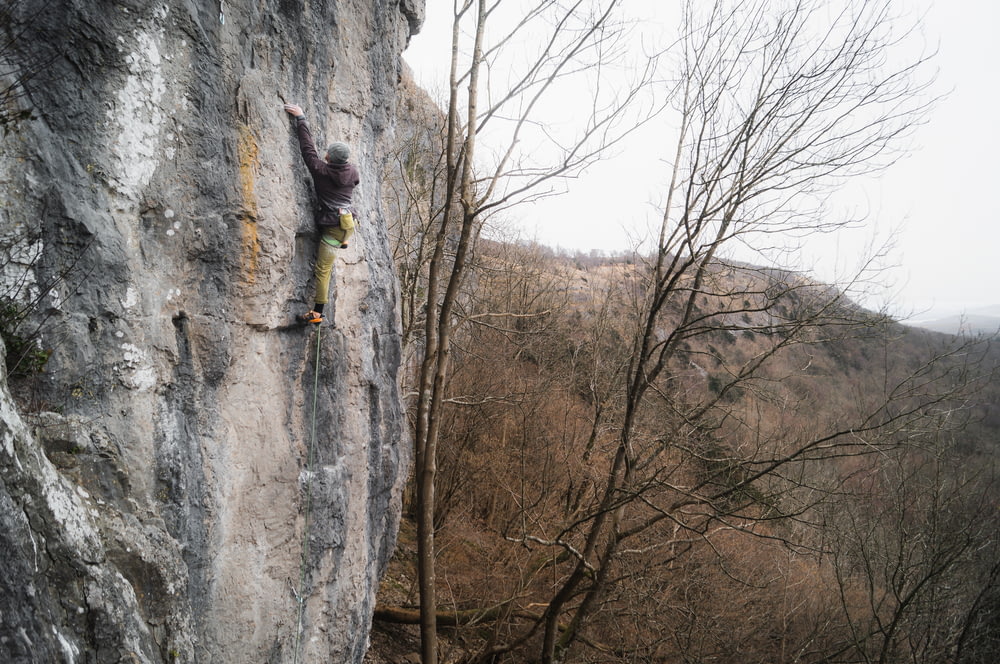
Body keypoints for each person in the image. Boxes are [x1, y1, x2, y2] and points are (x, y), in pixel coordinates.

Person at [283, 103, 360, 324]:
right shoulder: (352, 170)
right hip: (349, 223)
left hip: (334, 228)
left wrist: (301, 118)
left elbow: (308, 149)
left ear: (329, 158)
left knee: (323, 269)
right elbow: (354, 180)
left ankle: (317, 312)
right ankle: (344, 242)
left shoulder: (321, 171)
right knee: (341, 236)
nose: (324, 153)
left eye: (327, 153)